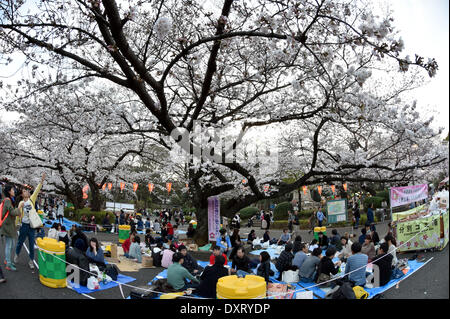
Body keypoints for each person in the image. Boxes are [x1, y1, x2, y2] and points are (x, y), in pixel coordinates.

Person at [14, 173, 45, 270]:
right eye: (24, 191)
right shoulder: (21, 202)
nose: (26, 192)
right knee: (20, 242)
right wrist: (16, 223)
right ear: (22, 194)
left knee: (31, 244)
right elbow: (18, 214)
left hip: (31, 226)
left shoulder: (32, 199)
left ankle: (31, 260)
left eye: (27, 190)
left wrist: (41, 181)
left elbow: (37, 190)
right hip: (24, 225)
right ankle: (16, 254)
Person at [1, 184, 23, 271]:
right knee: (9, 245)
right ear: (9, 191)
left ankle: (7, 260)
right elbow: (12, 212)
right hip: (7, 226)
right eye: (13, 190)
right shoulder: (7, 200)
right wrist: (19, 208)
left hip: (9, 225)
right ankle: (8, 264)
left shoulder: (10, 200)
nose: (14, 191)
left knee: (10, 244)